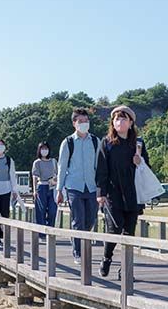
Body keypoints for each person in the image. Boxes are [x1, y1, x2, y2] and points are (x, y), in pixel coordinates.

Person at [96, 105, 149, 278]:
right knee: (114, 228)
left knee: (129, 233)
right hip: (113, 193)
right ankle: (107, 258)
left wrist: (139, 161)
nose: (120, 121)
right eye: (117, 118)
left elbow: (147, 169)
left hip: (133, 194)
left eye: (124, 118)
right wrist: (100, 193)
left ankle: (126, 269)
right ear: (113, 122)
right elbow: (101, 169)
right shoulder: (107, 142)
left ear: (131, 122)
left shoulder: (138, 144)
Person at [57, 108, 100, 264]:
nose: (84, 124)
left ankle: (81, 242)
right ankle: (78, 252)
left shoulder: (95, 141)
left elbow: (99, 166)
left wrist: (101, 188)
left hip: (92, 186)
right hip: (73, 186)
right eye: (80, 121)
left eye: (86, 121)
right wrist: (59, 190)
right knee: (78, 219)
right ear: (74, 123)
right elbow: (62, 167)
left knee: (90, 220)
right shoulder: (68, 142)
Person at [32, 142, 58, 234]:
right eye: (42, 148)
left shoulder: (53, 161)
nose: (44, 150)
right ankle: (41, 232)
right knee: (40, 210)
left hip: (52, 187)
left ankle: (50, 230)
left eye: (46, 148)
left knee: (52, 210)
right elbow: (35, 176)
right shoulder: (37, 162)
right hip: (41, 186)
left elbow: (58, 173)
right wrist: (34, 190)